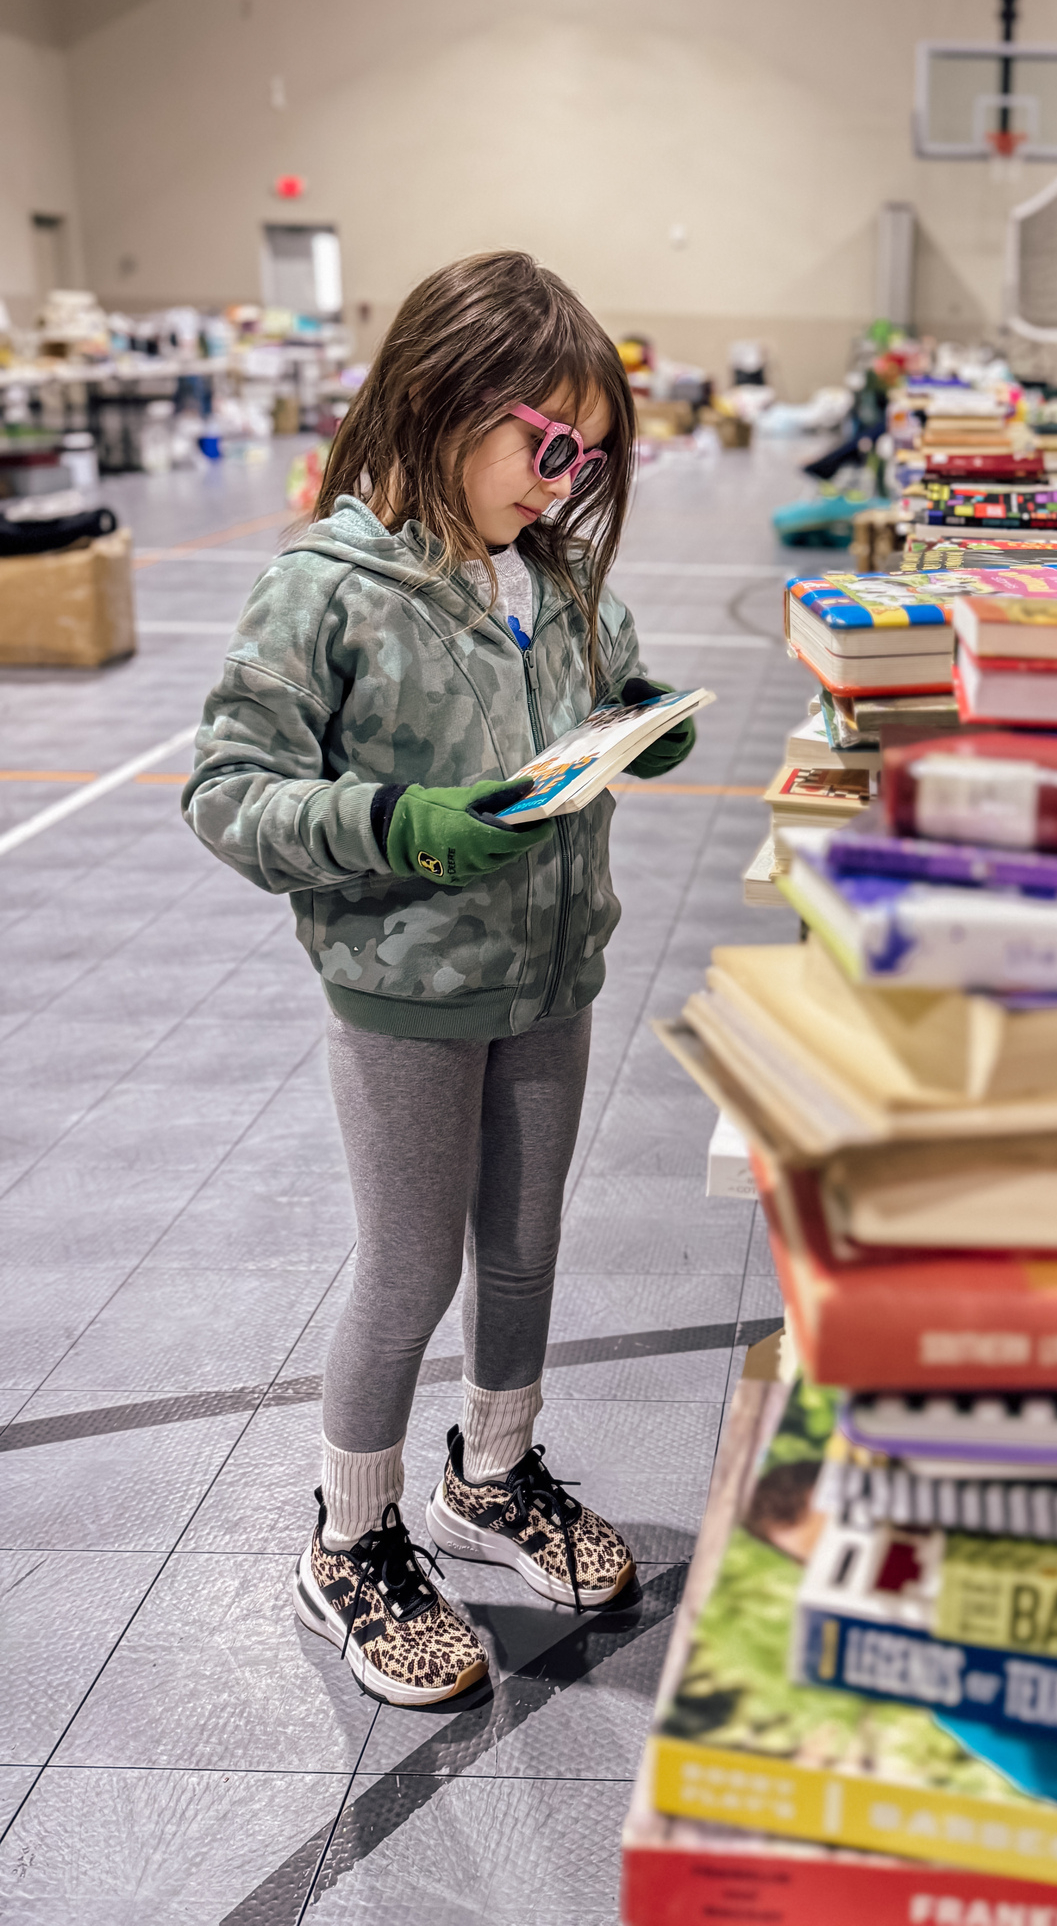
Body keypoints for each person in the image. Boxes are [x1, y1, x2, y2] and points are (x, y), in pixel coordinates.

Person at [184, 250, 696, 1706]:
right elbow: (229, 792)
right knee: (410, 1267)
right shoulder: (323, 591)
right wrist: (391, 826)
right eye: (545, 447)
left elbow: (609, 695)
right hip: (406, 993)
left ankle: (500, 1468)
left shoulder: (561, 579)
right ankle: (349, 1537)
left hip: (554, 978)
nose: (564, 481)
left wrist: (641, 721)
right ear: (443, 401)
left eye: (588, 459)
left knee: (524, 1248)